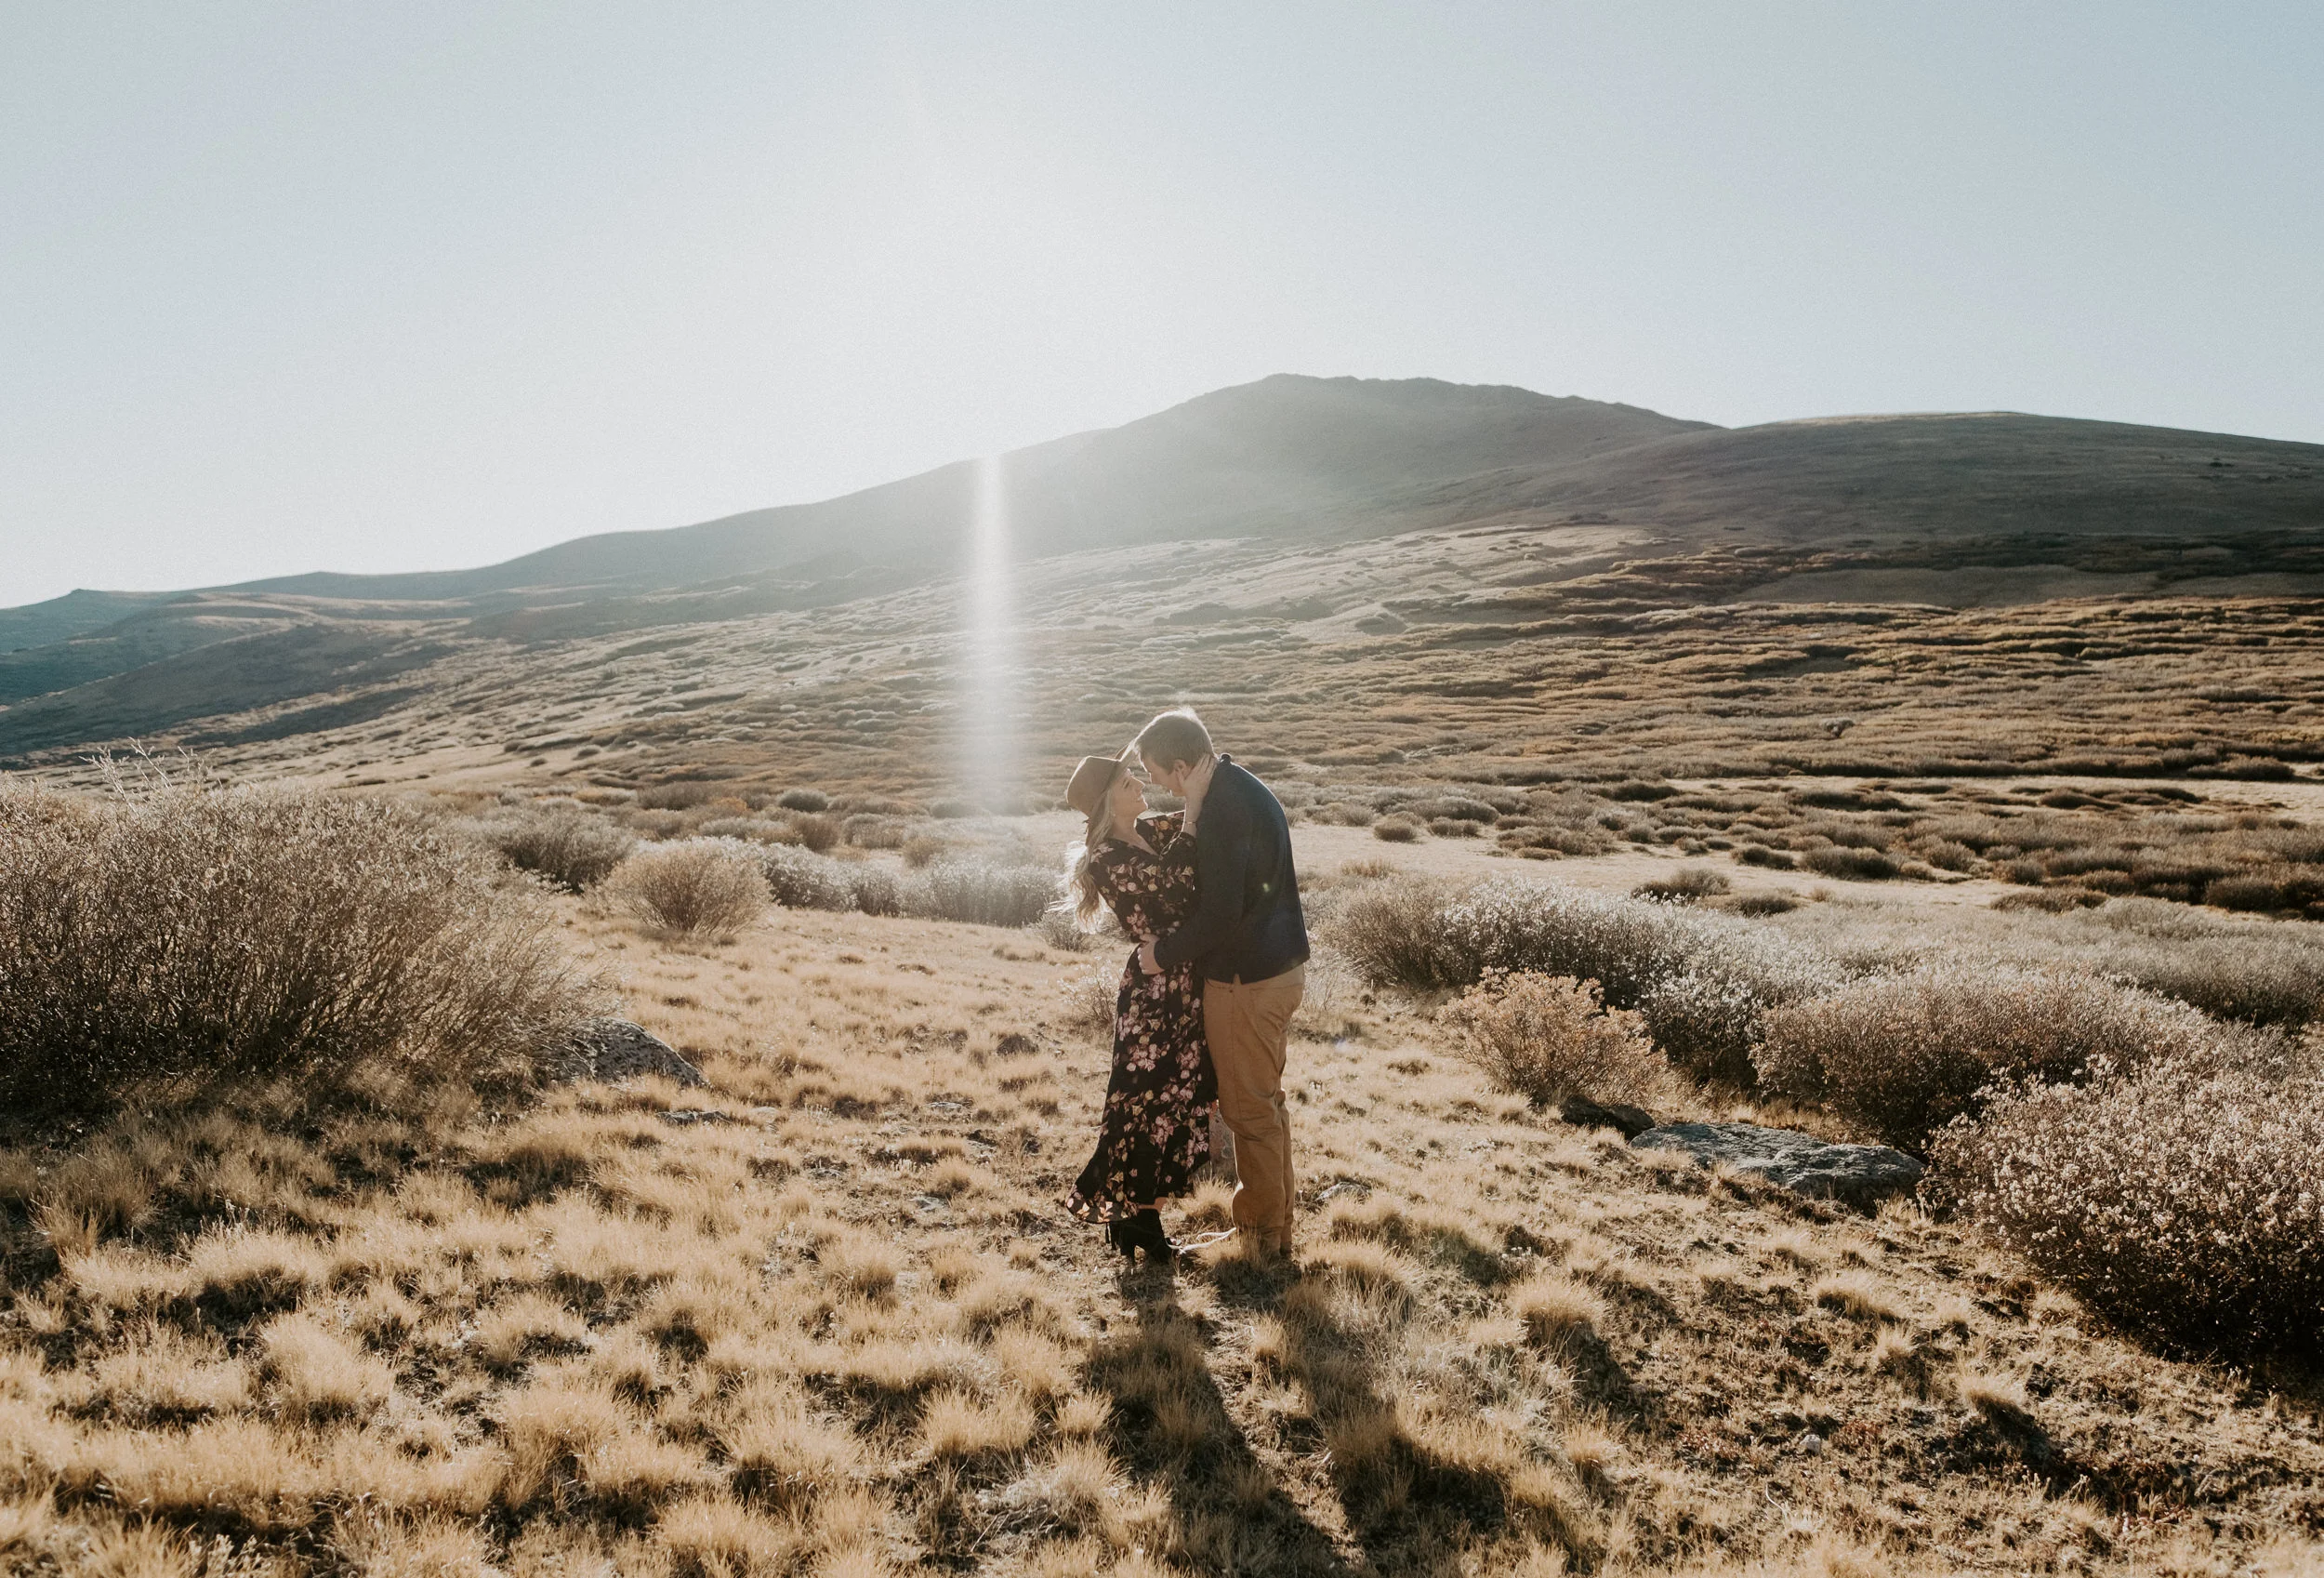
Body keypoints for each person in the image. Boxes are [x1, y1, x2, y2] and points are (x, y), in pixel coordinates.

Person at [1133, 708, 1309, 1261]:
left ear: (1182, 766)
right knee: (1267, 1105)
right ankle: (1275, 1231)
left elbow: (1219, 917)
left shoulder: (1224, 811)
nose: (1157, 787)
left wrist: (1161, 955)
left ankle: (1259, 1240)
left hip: (1246, 982)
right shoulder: (1237, 785)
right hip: (1277, 972)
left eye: (1160, 776)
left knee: (1249, 1113)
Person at [1058, 748, 1218, 1264]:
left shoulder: (1147, 832)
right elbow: (1174, 881)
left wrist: (1203, 780)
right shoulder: (1107, 856)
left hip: (1184, 981)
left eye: (1134, 777)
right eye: (1128, 782)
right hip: (1153, 991)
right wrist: (1191, 811)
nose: (1138, 786)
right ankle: (1137, 1223)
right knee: (1142, 1103)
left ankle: (1136, 1220)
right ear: (1108, 802)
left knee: (1171, 1100)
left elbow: (1202, 821)